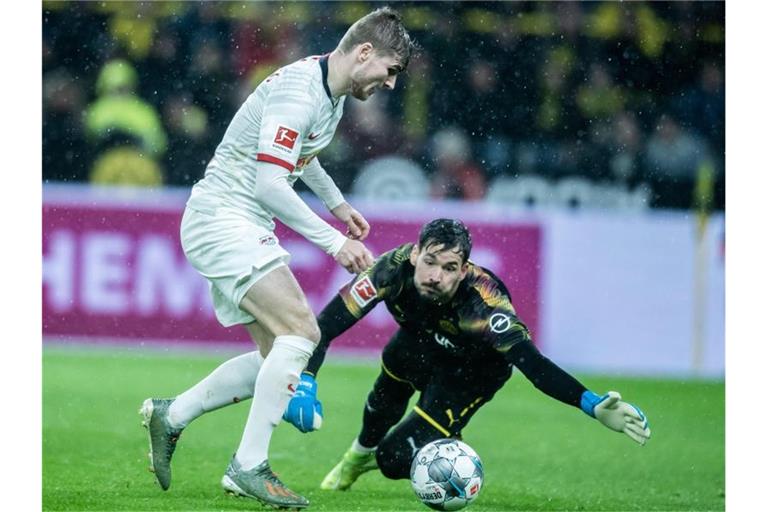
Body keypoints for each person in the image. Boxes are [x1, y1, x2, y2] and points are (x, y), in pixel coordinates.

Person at [139, 7, 415, 509]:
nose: (391, 84)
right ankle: (247, 467)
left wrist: (338, 204)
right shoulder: (298, 92)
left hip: (238, 221)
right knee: (303, 335)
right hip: (225, 217)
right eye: (391, 71)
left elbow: (301, 158)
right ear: (365, 53)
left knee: (277, 360)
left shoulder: (327, 90)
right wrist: (335, 241)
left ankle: (171, 415)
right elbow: (270, 183)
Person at [282, 218, 651, 491]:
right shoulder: (388, 271)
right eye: (430, 262)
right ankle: (354, 457)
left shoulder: (484, 305)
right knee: (385, 390)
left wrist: (591, 403)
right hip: (419, 343)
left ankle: (424, 442)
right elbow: (323, 327)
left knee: (393, 461)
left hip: (471, 373)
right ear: (415, 254)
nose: (435, 276)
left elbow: (532, 364)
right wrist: (306, 380)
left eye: (449, 268)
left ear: (464, 271)